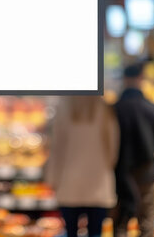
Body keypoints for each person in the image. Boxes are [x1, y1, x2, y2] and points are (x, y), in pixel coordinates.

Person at [45, 96, 119, 237]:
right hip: (99, 181)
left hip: (69, 181)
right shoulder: (103, 108)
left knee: (71, 231)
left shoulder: (64, 106)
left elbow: (56, 147)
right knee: (96, 231)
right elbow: (113, 146)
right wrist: (107, 168)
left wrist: (52, 179)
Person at [113, 64, 154, 237]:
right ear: (141, 79)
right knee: (146, 224)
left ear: (124, 80)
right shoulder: (152, 109)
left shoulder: (113, 110)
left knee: (121, 223)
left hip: (119, 174)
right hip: (146, 173)